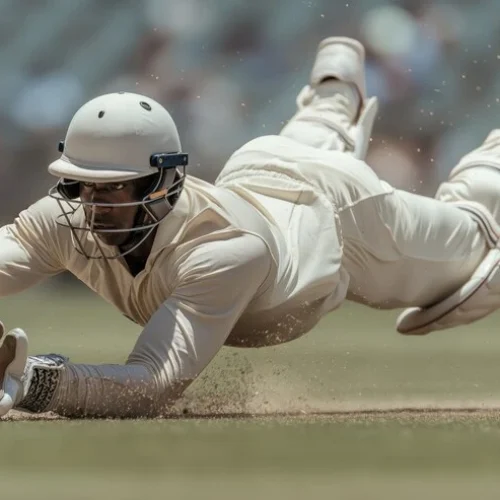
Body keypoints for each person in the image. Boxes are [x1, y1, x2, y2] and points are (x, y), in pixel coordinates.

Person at [1, 37, 500, 419]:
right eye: (81, 184)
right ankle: (334, 87)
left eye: (112, 188)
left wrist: (31, 384)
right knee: (312, 133)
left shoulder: (222, 253)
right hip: (260, 169)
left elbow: (153, 383)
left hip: (346, 222)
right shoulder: (64, 216)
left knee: (477, 241)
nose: (90, 203)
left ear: (162, 183)